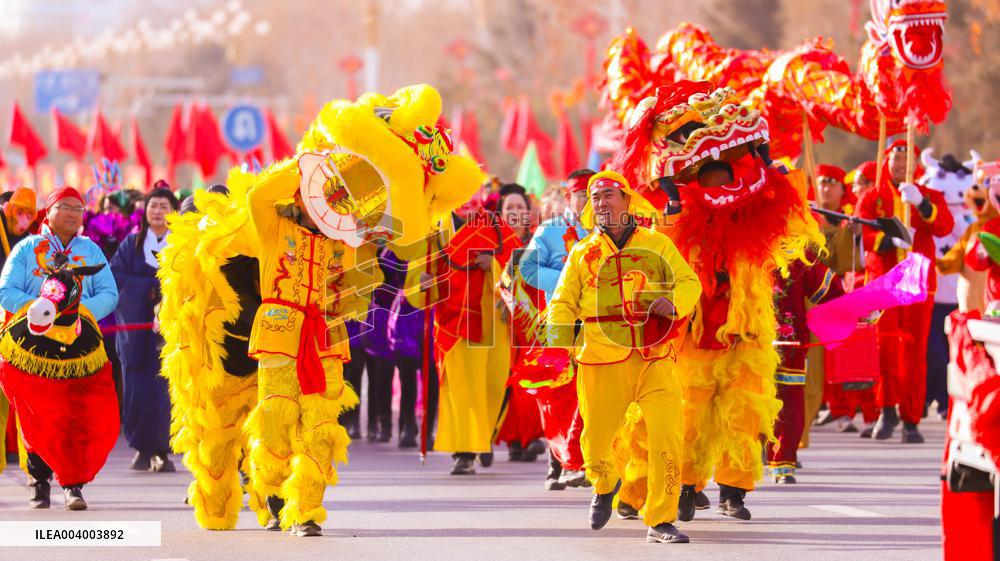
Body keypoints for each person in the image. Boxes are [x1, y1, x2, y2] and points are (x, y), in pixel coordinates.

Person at [547, 170, 702, 544]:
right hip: (601, 356)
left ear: (627, 200)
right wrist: (558, 349)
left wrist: (674, 302)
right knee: (596, 440)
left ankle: (661, 519)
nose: (600, 203)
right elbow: (562, 304)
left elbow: (689, 282)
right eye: (594, 197)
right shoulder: (583, 253)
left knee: (667, 434)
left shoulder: (657, 244)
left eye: (607, 195)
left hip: (653, 354)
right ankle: (603, 484)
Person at [242, 160, 376, 537]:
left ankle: (307, 511)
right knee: (276, 424)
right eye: (317, 199)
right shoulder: (273, 228)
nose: (324, 209)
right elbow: (258, 194)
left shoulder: (344, 244)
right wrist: (306, 166)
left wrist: (360, 241)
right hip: (279, 336)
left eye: (332, 202)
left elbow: (357, 291)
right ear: (299, 201)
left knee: (319, 427)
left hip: (326, 339)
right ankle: (275, 491)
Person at [0, 186, 119, 510]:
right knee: (36, 415)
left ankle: (73, 485)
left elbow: (110, 293)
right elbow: (6, 291)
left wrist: (77, 310)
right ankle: (38, 482)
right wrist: (42, 307)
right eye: (65, 206)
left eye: (78, 209)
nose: (72, 213)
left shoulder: (90, 251)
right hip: (32, 344)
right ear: (49, 211)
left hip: (77, 344)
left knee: (75, 416)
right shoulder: (27, 248)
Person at [408, 192, 521, 475]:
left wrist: (493, 267)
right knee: (462, 389)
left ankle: (483, 436)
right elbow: (415, 273)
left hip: (492, 320)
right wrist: (420, 282)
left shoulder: (495, 226)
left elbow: (519, 266)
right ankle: (465, 451)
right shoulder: (432, 228)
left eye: (473, 193)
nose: (467, 200)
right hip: (452, 321)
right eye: (461, 192)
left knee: (494, 385)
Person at [857, 139, 954, 442]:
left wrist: (922, 205)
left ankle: (911, 418)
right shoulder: (873, 196)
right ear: (886, 161)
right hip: (883, 279)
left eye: (907, 159)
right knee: (884, 347)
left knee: (914, 349)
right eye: (896, 159)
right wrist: (887, 241)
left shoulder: (929, 195)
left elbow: (944, 226)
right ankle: (886, 412)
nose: (901, 165)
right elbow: (861, 230)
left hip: (917, 280)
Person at [518, 169, 594, 489]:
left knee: (589, 390)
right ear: (568, 198)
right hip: (561, 320)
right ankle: (559, 461)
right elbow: (528, 268)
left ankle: (583, 460)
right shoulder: (551, 231)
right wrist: (567, 281)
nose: (589, 203)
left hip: (596, 322)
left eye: (596, 196)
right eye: (583, 196)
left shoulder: (606, 231)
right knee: (560, 393)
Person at [110, 187, 179, 472]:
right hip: (139, 334)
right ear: (145, 210)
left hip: (172, 329)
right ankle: (141, 447)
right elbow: (116, 276)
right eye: (153, 206)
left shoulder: (180, 244)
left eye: (164, 206)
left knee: (167, 391)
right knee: (138, 389)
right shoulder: (132, 244)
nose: (158, 211)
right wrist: (148, 288)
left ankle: (163, 450)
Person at [493, 183, 546, 463]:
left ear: (528, 212)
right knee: (506, 378)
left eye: (519, 207)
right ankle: (513, 438)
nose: (515, 212)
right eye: (509, 207)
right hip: (499, 322)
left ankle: (532, 436)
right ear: (500, 212)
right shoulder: (491, 242)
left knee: (529, 376)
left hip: (530, 319)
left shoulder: (539, 240)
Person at [0, 187, 38, 471]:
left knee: (24, 401)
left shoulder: (29, 244)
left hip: (21, 326)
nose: (22, 220)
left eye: (29, 214)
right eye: (18, 212)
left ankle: (32, 468)